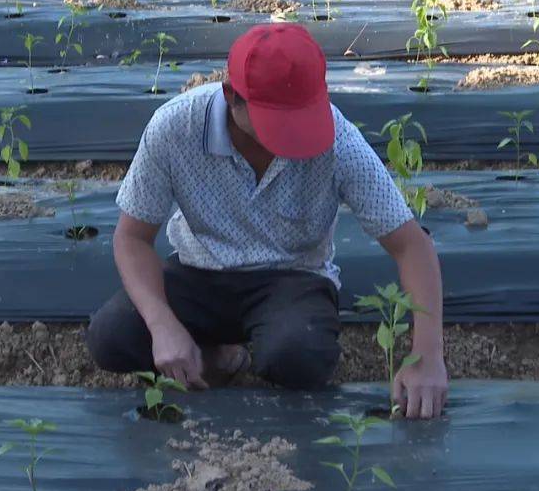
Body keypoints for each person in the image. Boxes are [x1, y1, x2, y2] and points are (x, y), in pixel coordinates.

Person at [86, 23, 447, 419]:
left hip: (289, 278)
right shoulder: (175, 128)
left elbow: (411, 244)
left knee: (299, 354)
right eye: (275, 123)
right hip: (197, 271)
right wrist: (162, 324)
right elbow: (132, 238)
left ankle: (243, 355)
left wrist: (426, 355)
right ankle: (216, 359)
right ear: (230, 97)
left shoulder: (337, 139)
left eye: (301, 119)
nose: (292, 138)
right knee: (112, 336)